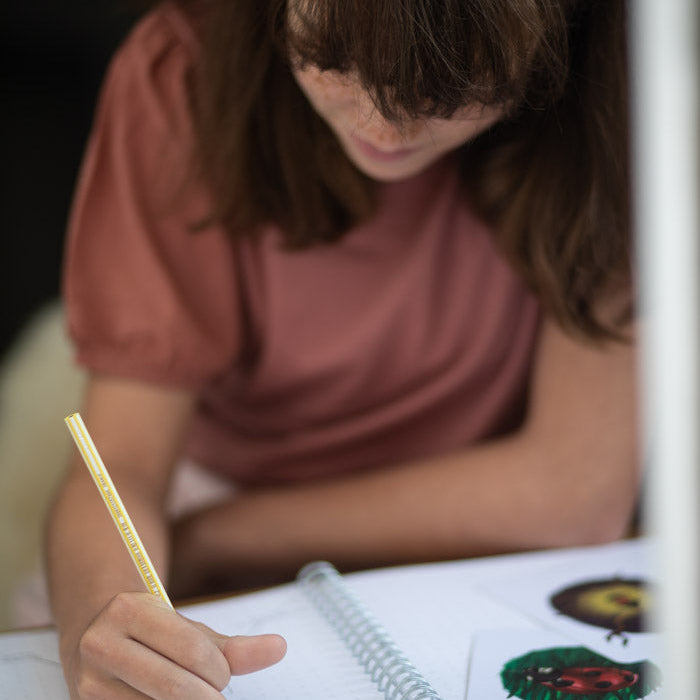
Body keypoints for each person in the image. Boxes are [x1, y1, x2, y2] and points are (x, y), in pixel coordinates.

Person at [46, 0, 639, 697]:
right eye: (331, 54)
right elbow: (120, 466)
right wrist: (106, 621)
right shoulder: (183, 74)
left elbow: (572, 497)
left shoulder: (631, 100)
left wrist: (213, 536)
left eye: (448, 83)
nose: (380, 124)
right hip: (205, 499)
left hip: (478, 547)